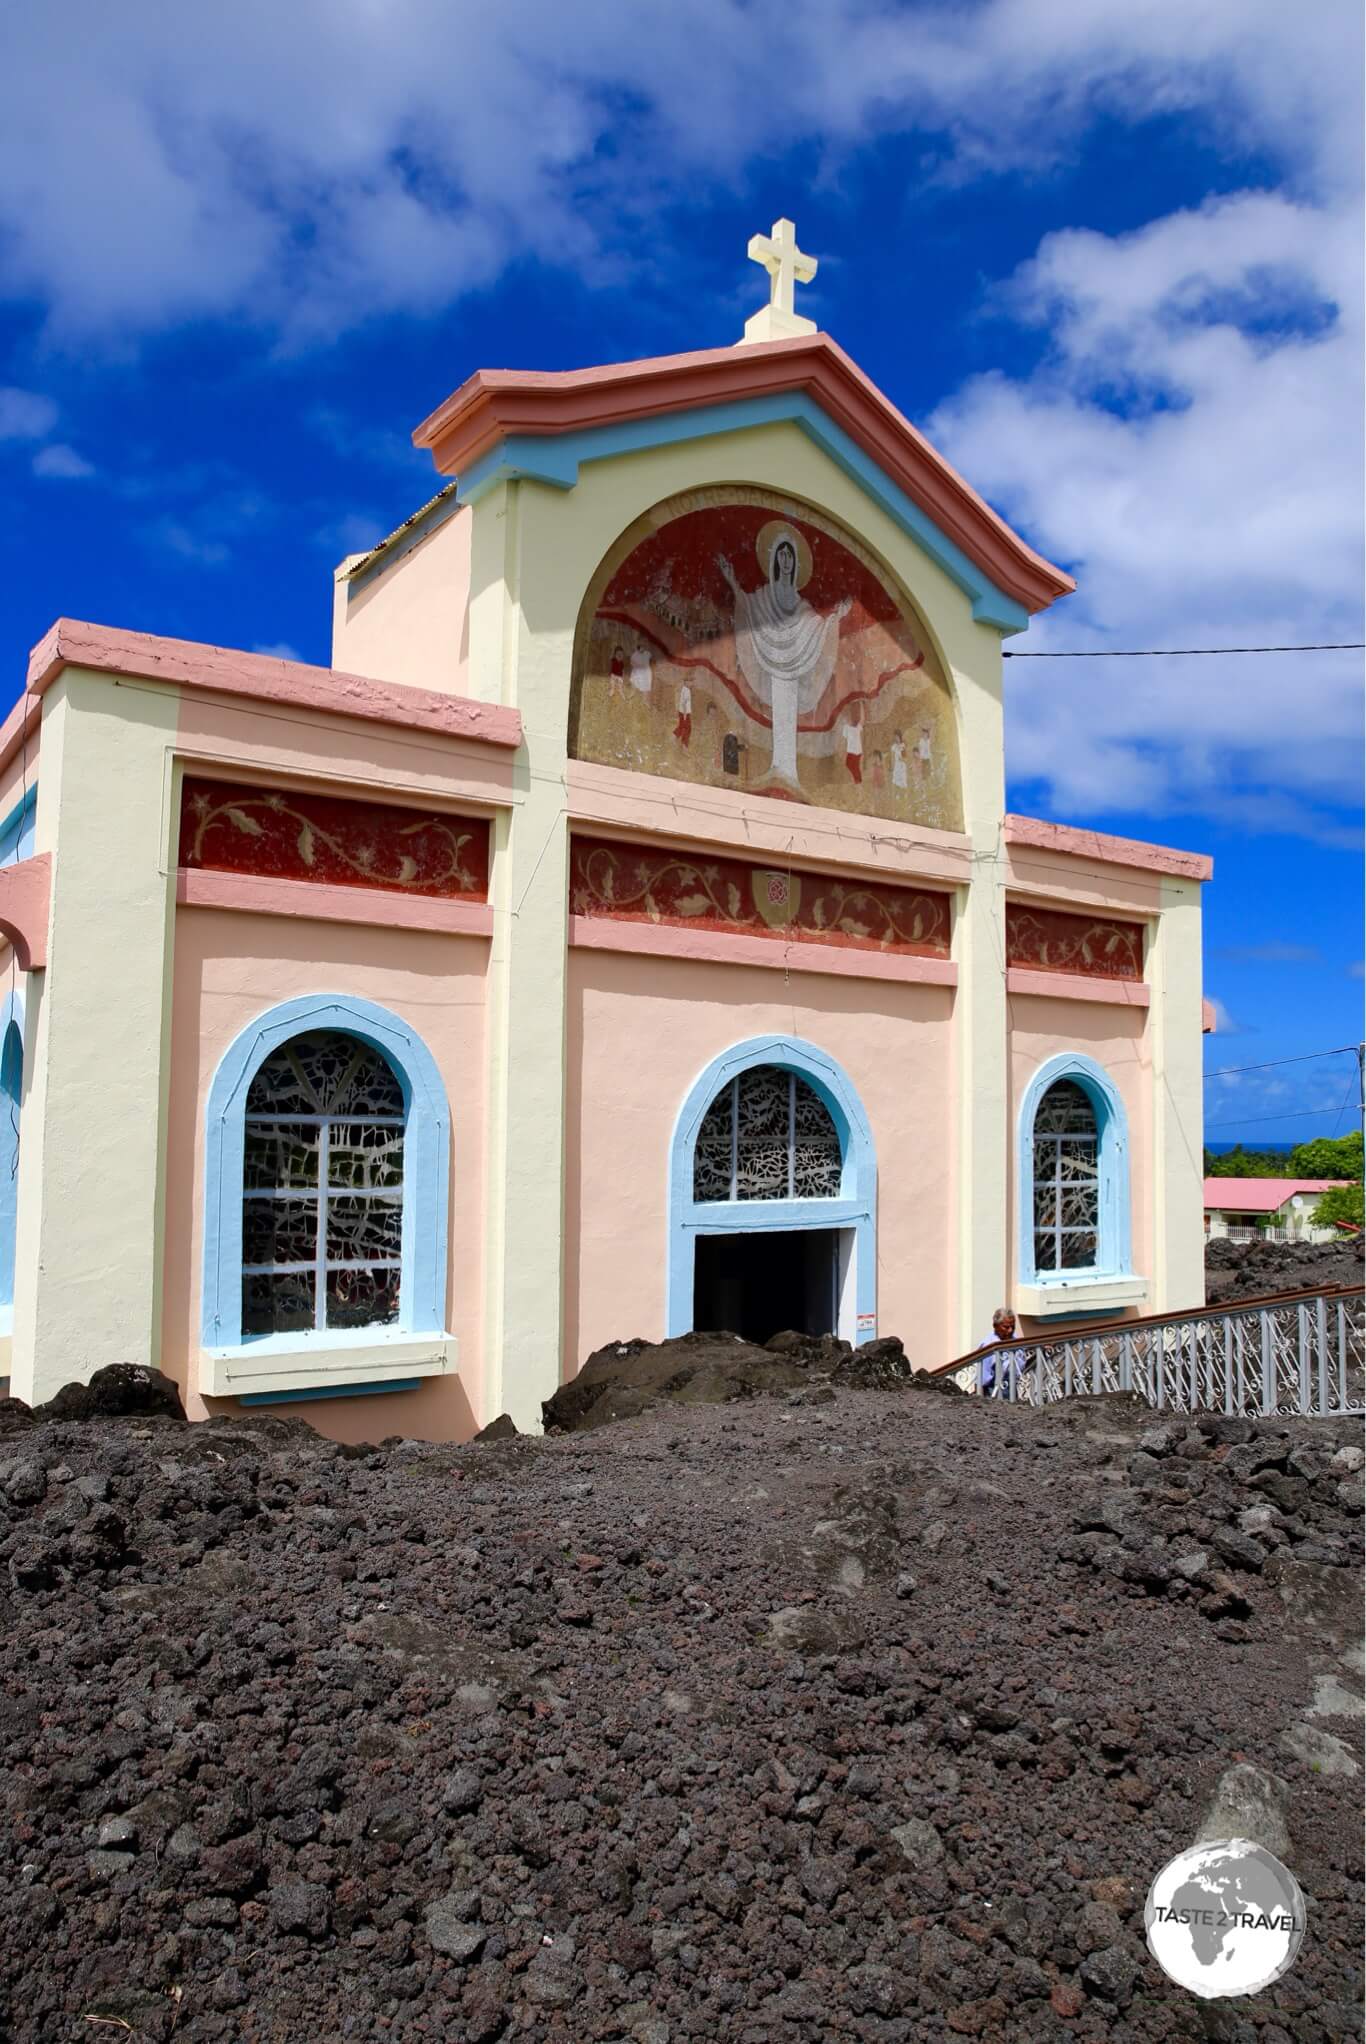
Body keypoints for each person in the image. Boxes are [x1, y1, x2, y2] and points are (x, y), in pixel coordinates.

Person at [718, 529, 850, 788]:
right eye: (782, 555)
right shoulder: (765, 596)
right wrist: (732, 581)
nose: (786, 560)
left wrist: (837, 617)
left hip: (792, 672)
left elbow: (815, 627)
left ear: (796, 562)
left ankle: (790, 772)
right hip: (773, 668)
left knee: (788, 718)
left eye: (790, 555)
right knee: (780, 717)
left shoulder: (802, 605)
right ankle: (778, 766)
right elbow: (749, 607)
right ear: (775, 560)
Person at [978, 1307, 1029, 1398]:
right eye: (1006, 1327)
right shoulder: (989, 1346)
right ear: (995, 1326)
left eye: (1013, 1327)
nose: (1010, 1330)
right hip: (995, 1392)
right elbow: (982, 1379)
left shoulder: (1014, 1339)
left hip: (1013, 1389)